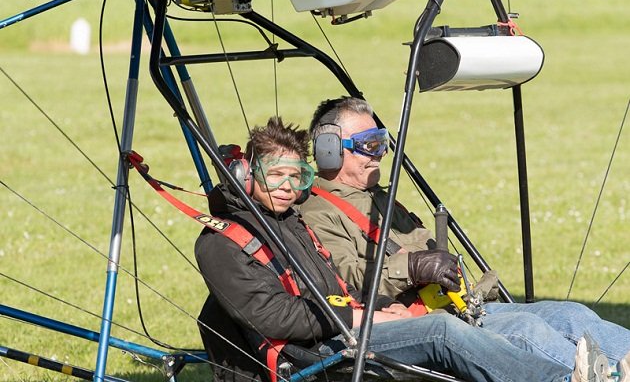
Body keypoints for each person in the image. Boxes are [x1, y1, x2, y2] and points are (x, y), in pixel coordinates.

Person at [195, 116, 599, 382]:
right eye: (275, 175)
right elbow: (277, 317)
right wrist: (367, 317)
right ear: (246, 175)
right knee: (442, 331)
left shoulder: (289, 221)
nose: (287, 186)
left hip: (346, 328)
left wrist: (382, 308)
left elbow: (335, 286)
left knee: (561, 314)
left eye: (297, 176)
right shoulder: (221, 243)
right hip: (311, 353)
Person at [299, 96, 630, 381]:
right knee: (527, 330)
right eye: (368, 144)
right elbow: (344, 279)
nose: (380, 153)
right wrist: (410, 267)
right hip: (415, 320)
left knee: (570, 314)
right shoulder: (318, 211)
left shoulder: (377, 198)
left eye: (381, 142)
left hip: (455, 306)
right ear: (329, 150)